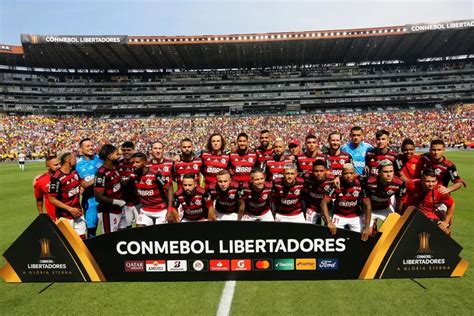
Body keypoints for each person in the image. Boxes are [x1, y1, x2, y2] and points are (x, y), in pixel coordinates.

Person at [321, 163, 372, 241]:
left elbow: (368, 205)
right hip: (339, 215)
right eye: (346, 173)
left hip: (355, 216)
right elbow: (323, 203)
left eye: (351, 173)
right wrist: (329, 222)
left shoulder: (361, 183)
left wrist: (367, 227)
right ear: (342, 174)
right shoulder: (336, 184)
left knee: (361, 240)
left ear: (355, 174)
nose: (348, 176)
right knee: (334, 240)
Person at [130, 152, 178, 226]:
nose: (134, 165)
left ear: (144, 162)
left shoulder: (156, 174)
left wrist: (170, 210)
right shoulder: (133, 175)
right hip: (145, 210)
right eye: (133, 162)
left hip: (160, 210)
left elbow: (169, 189)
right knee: (141, 233)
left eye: (137, 162)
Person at [405, 168, 455, 234]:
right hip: (413, 214)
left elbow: (452, 204)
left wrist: (446, 222)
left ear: (436, 181)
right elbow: (402, 198)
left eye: (433, 181)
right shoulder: (411, 185)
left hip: (430, 215)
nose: (431, 184)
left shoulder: (440, 191)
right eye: (428, 181)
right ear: (421, 180)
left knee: (446, 232)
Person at [48, 153, 86, 239]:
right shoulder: (56, 178)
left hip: (78, 212)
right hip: (65, 216)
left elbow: (83, 184)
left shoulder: (75, 172)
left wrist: (83, 186)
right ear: (69, 161)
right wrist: (70, 209)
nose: (76, 160)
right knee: (69, 242)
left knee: (83, 240)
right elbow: (52, 199)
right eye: (74, 158)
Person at [94, 144, 125, 234]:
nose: (119, 156)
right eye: (116, 154)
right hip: (108, 212)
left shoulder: (114, 169)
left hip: (119, 209)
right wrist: (117, 202)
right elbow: (98, 197)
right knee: (109, 238)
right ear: (109, 156)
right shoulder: (101, 173)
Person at [365, 160, 406, 228]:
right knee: (367, 233)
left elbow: (400, 202)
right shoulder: (369, 182)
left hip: (385, 208)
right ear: (379, 172)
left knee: (393, 230)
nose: (389, 174)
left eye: (391, 171)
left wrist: (396, 217)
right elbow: (365, 202)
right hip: (370, 209)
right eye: (385, 172)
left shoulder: (399, 183)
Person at [76, 138, 103, 238]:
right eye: (87, 146)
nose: (91, 148)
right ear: (81, 150)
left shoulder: (102, 160)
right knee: (91, 231)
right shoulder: (78, 165)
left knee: (111, 228)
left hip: (106, 200)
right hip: (90, 201)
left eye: (92, 145)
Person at [303, 160, 334, 225]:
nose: (319, 173)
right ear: (312, 171)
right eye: (316, 171)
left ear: (325, 171)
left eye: (321, 171)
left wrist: (338, 178)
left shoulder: (332, 179)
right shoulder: (306, 177)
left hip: (328, 209)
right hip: (312, 208)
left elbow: (342, 177)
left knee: (330, 229)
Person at [117, 141, 139, 229]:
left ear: (133, 150)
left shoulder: (138, 164)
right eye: (124, 150)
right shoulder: (118, 165)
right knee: (125, 229)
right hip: (124, 203)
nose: (126, 152)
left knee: (142, 228)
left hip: (138, 202)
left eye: (129, 150)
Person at [33, 156, 61, 221]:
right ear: (48, 166)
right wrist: (41, 214)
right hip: (53, 217)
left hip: (69, 215)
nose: (59, 166)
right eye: (56, 165)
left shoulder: (66, 175)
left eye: (60, 164)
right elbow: (39, 198)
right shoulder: (40, 181)